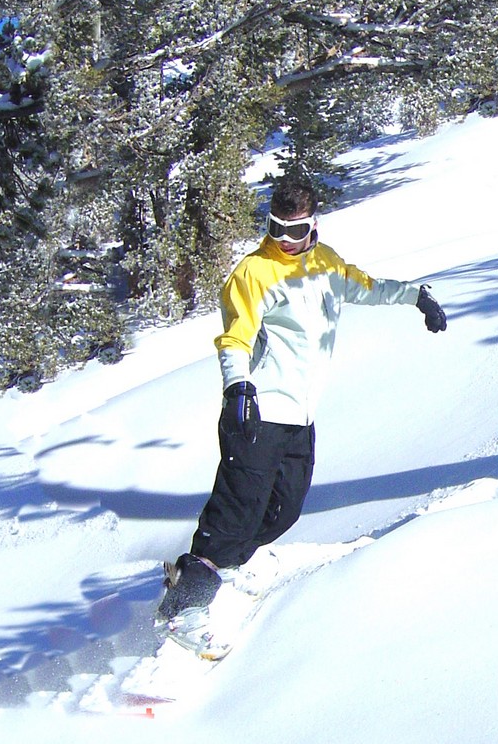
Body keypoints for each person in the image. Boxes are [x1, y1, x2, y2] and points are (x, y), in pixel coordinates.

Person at [157, 173, 448, 623]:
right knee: (236, 513)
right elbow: (235, 337)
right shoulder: (254, 272)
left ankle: (210, 577)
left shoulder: (326, 264)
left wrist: (416, 297)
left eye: (294, 231)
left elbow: (366, 287)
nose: (285, 240)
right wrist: (238, 387)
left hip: (299, 417)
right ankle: (182, 611)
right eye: (275, 228)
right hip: (256, 411)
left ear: (314, 227)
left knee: (282, 510)